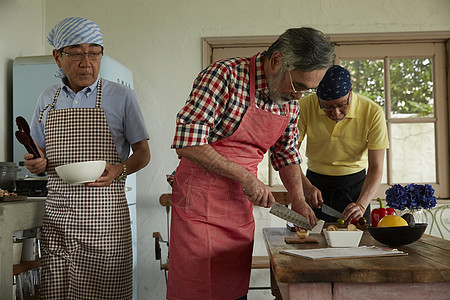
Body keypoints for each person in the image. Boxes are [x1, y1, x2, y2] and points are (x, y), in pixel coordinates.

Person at [168, 27, 335, 300]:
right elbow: (188, 141)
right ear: (276, 61)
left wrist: (298, 200)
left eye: (309, 91)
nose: (299, 96)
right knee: (197, 290)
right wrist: (245, 177)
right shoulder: (225, 76)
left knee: (233, 292)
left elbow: (287, 153)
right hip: (199, 206)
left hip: (237, 208)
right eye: (299, 86)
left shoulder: (289, 103)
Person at [24, 17, 150, 299]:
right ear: (58, 57)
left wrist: (119, 169)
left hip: (105, 222)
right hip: (59, 219)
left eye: (94, 53)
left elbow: (143, 153)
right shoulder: (47, 99)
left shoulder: (121, 97)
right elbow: (38, 156)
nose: (86, 61)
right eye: (76, 53)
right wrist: (36, 163)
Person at [298, 65, 389, 224]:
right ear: (317, 96)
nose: (336, 113)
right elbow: (288, 154)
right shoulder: (303, 107)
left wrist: (361, 204)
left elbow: (376, 167)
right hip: (313, 186)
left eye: (342, 104)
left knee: (359, 245)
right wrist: (304, 186)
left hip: (356, 189)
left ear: (351, 91)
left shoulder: (373, 112)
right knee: (309, 243)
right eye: (326, 106)